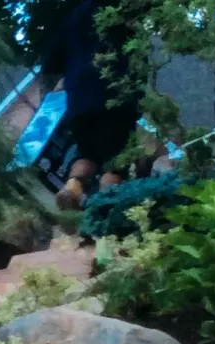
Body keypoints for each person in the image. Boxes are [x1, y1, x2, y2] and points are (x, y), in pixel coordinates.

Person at [41, 0, 142, 208]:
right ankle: (107, 209)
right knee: (116, 162)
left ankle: (72, 187)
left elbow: (50, 63)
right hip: (114, 95)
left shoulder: (73, 17)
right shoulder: (120, 9)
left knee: (87, 153)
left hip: (79, 102)